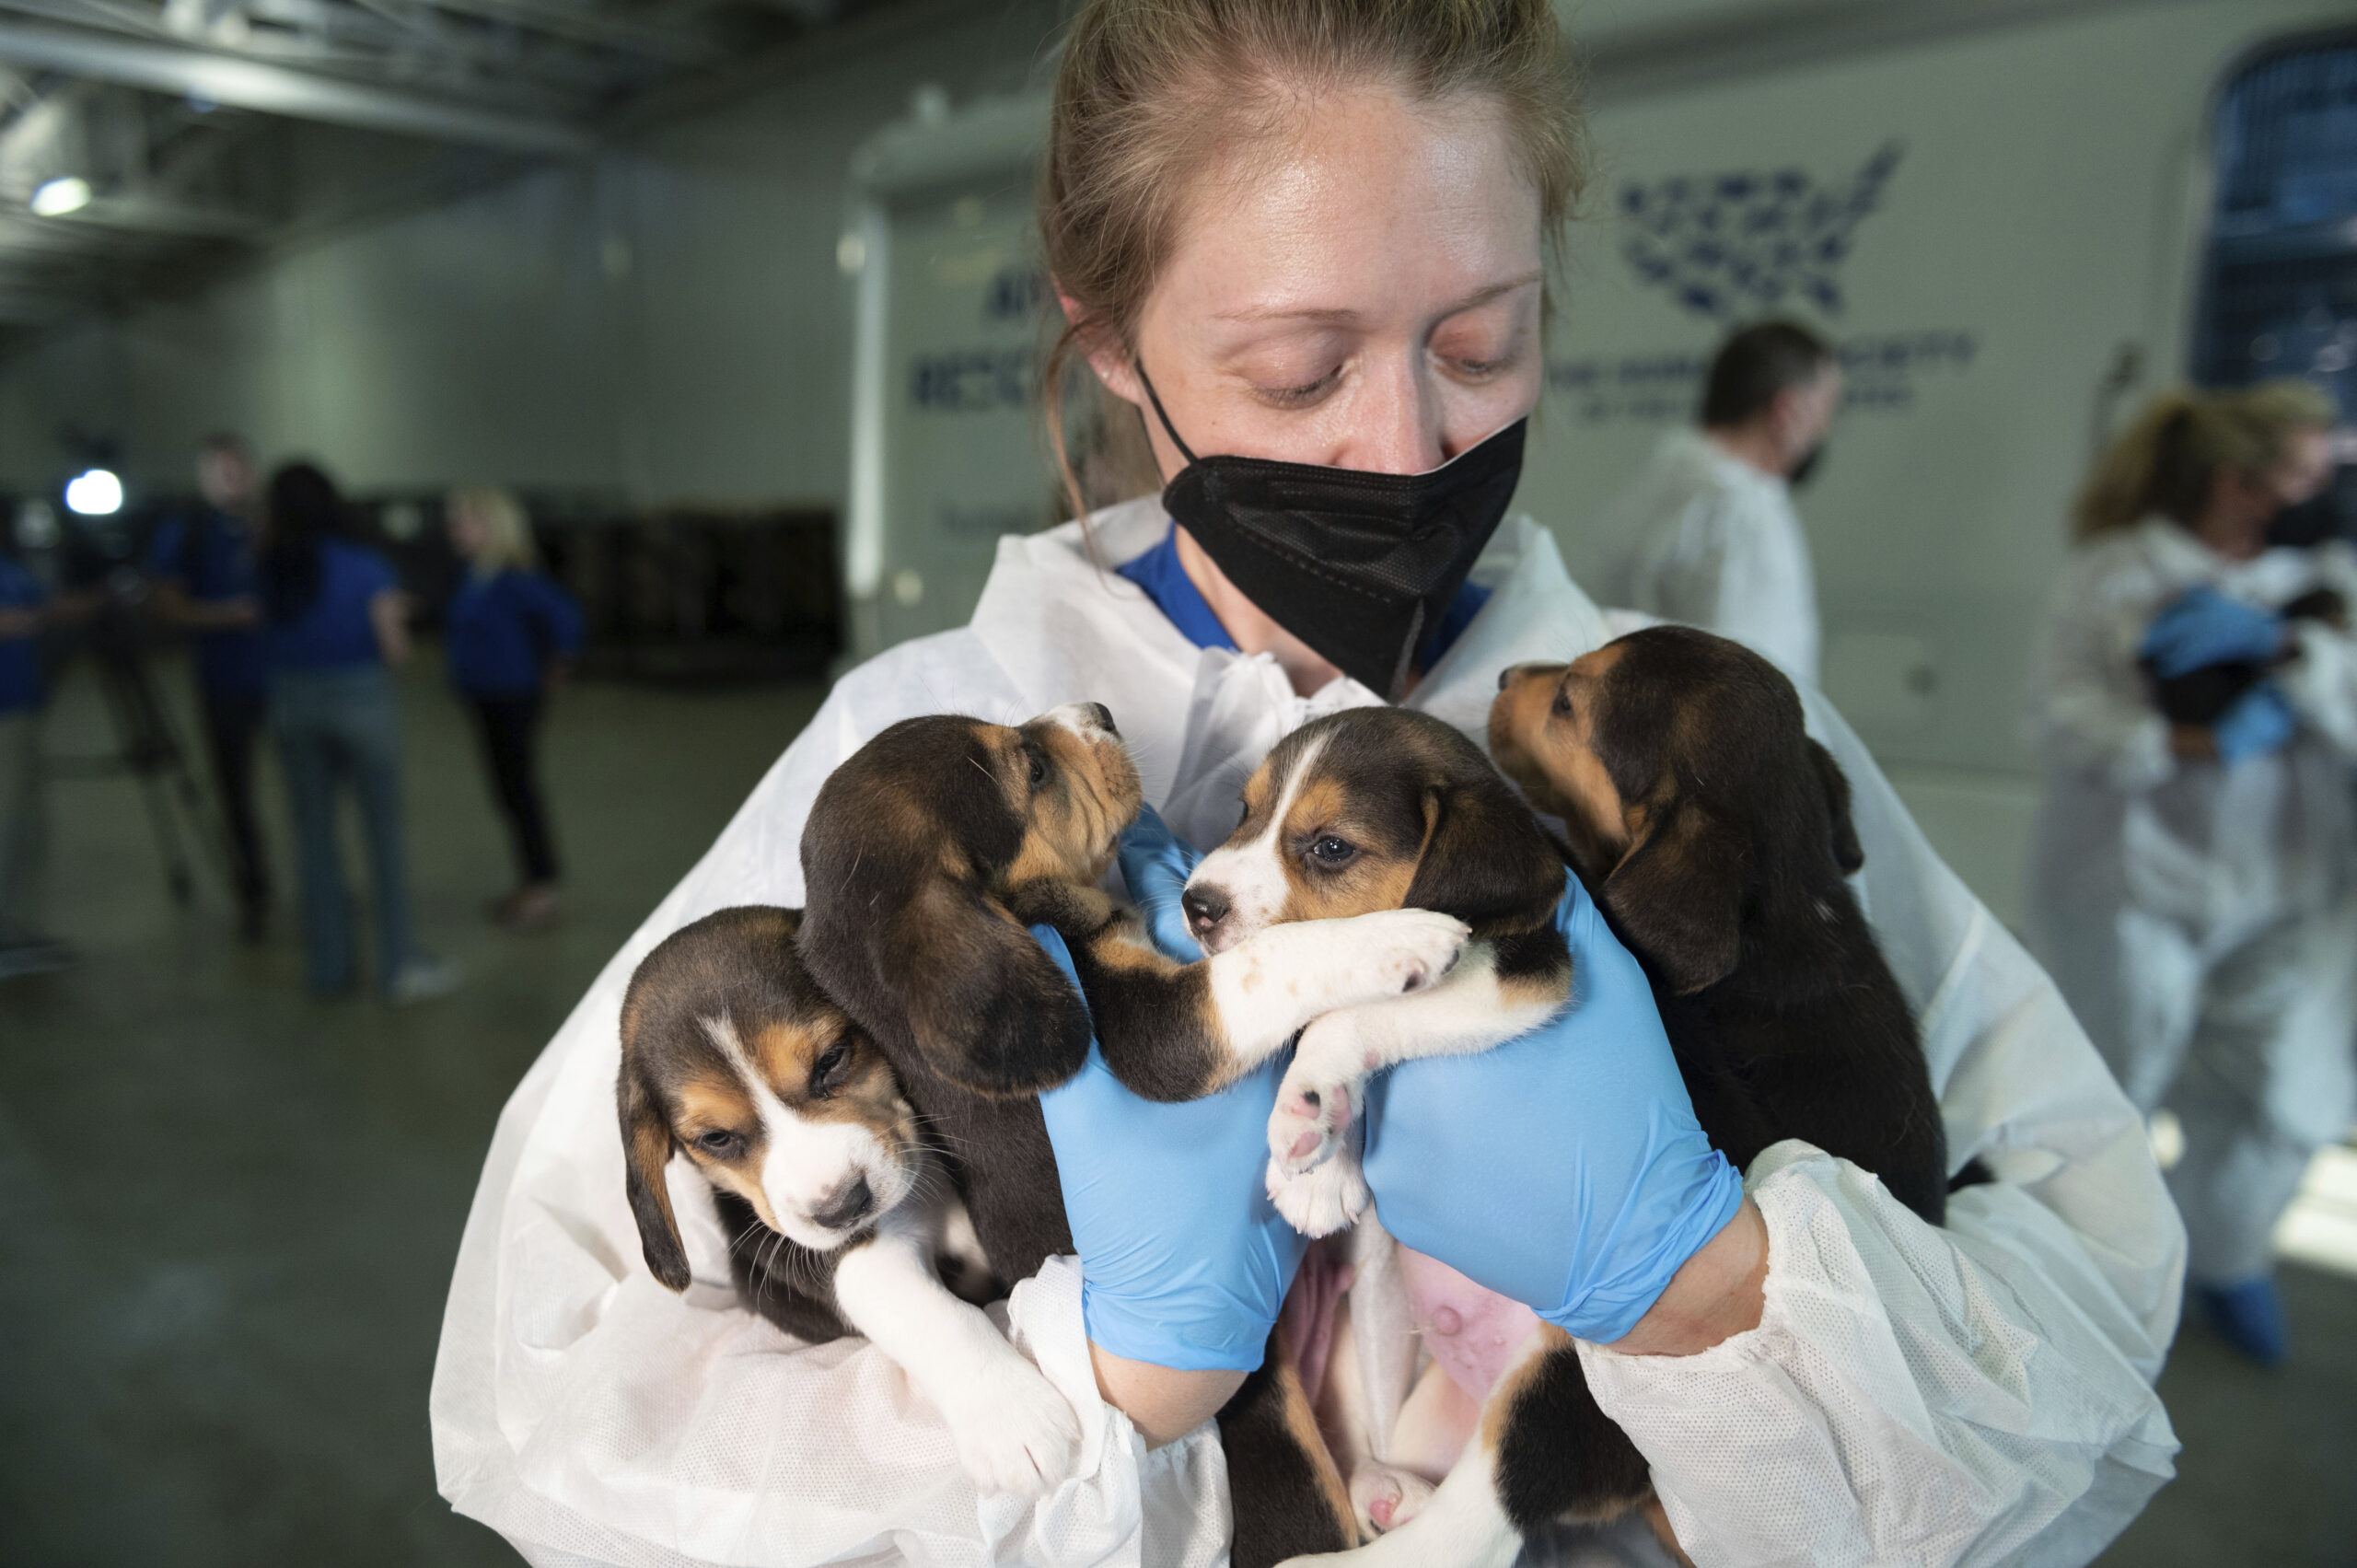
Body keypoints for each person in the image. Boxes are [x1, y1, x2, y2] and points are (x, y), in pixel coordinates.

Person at [432, 4, 2179, 1564]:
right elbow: (570, 1402)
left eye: (1482, 343)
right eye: (1298, 368)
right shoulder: (924, 757)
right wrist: (1106, 1376)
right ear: (1107, 332)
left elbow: (2090, 1306)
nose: (1409, 447)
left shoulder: (1681, 726)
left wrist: (1709, 1288)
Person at [2026, 381, 2355, 1366]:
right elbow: (2053, 718)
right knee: (2113, 1089)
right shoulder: (2115, 572)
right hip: (2136, 886)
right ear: (2238, 481)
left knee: (2277, 1097)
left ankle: (2225, 1256)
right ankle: (2096, 1285)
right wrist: (2181, 737)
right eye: (2305, 470)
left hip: (2283, 886)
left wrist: (2297, 651)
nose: (2325, 487)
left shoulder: (2329, 577)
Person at [259, 462, 460, 1005]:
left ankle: (329, 966)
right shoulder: (365, 566)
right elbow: (393, 650)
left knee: (314, 841)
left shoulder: (266, 566)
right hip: (360, 703)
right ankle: (397, 965)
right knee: (383, 840)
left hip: (292, 706)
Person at [1608, 319, 1840, 685]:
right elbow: (1755, 699)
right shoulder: (1745, 516)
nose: (1825, 430)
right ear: (1786, 412)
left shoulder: (1656, 483)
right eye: (1825, 409)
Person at [147, 433, 273, 940]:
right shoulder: (186, 533)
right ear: (204, 478)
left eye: (239, 468)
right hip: (223, 682)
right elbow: (166, 603)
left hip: (284, 679)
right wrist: (226, 615)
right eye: (221, 471)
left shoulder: (271, 527)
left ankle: (320, 882)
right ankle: (254, 889)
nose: (232, 479)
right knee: (235, 790)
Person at [443, 486, 582, 933]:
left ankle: (541, 888)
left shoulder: (514, 578)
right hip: (484, 699)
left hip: (511, 698)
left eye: (464, 520)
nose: (455, 529)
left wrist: (558, 667)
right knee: (505, 790)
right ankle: (531, 883)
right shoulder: (475, 576)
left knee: (518, 790)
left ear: (491, 527)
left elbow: (566, 617)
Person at [0, 535, 71, 980]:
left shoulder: (11, 567)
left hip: (20, 708)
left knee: (26, 823)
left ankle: (17, 931)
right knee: (9, 824)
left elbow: (47, 606)